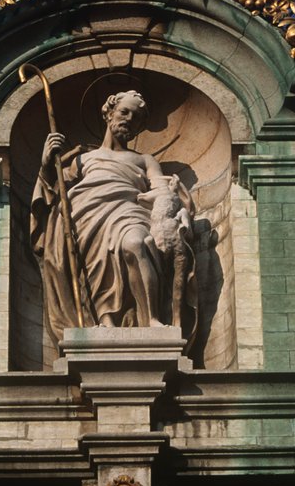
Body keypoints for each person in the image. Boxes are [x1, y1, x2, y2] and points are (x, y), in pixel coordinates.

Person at [30, 90, 193, 341]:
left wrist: (173, 203)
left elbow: (161, 191)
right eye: (124, 112)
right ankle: (105, 321)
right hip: (87, 217)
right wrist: (45, 163)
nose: (129, 119)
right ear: (109, 113)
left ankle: (151, 319)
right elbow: (52, 190)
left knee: (138, 243)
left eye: (136, 117)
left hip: (129, 211)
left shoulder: (144, 160)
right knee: (96, 265)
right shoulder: (82, 159)